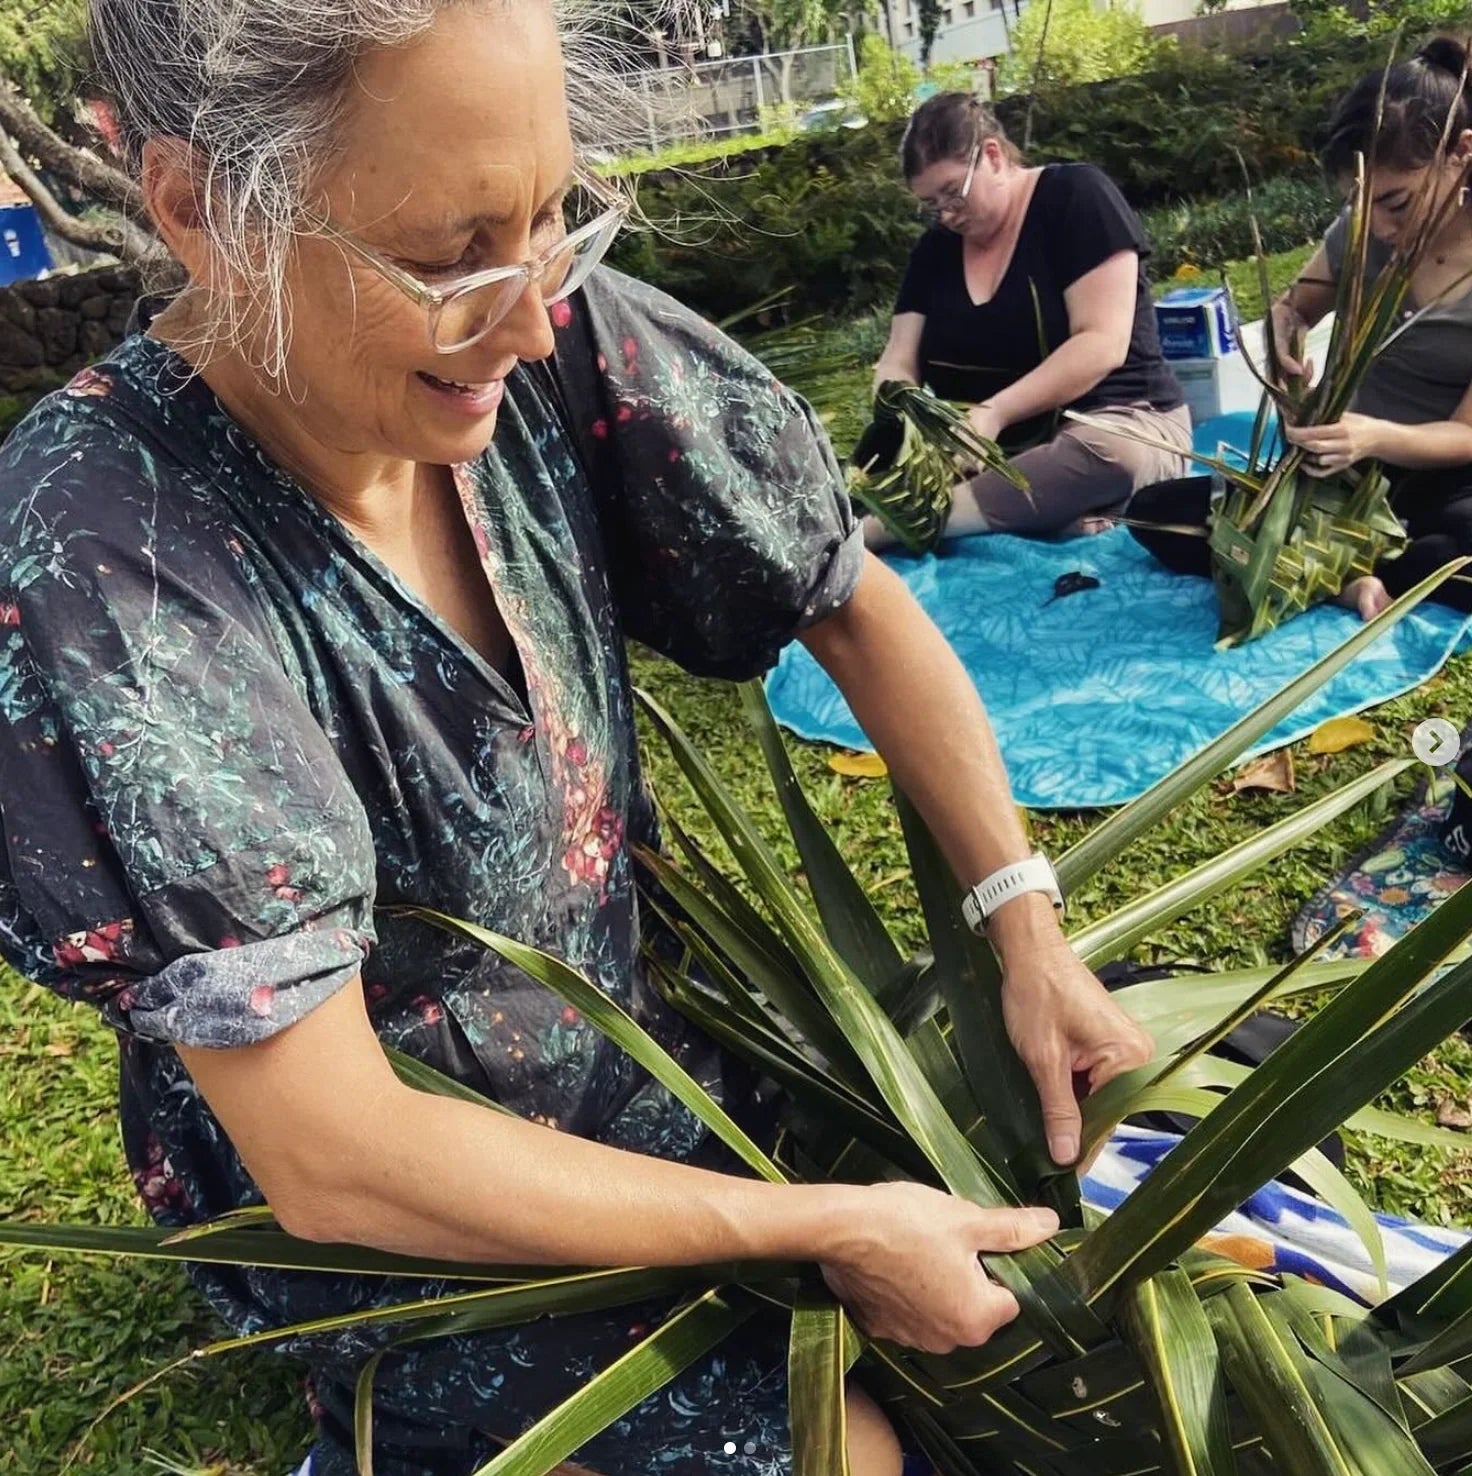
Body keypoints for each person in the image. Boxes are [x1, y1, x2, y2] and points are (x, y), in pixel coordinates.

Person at [0, 2, 1154, 1474]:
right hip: (413, 1209)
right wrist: (829, 1229)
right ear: (196, 211)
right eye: (447, 257)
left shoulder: (534, 324)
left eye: (555, 217)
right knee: (842, 1446)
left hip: (650, 1066)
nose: (535, 312)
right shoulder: (108, 546)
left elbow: (847, 598)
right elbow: (337, 1149)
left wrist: (1023, 921)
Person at [1129, 38, 1472, 621]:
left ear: (1463, 152)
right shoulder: (1360, 232)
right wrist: (1285, 360)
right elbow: (1291, 309)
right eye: (1359, 204)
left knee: (1460, 547)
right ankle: (1350, 574)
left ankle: (1321, 562)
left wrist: (1370, 435)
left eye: (1395, 202)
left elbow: (1466, 435)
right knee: (1153, 512)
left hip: (1440, 472)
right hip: (1339, 469)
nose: (1378, 225)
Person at [864, 92, 1191, 547]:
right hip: (988, 453)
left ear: (993, 156)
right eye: (930, 204)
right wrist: (901, 405)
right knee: (869, 474)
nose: (946, 214)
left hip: (1118, 419)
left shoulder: (1076, 196)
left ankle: (899, 526)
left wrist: (994, 413)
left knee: (1110, 455)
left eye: (953, 192)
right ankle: (1033, 512)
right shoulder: (934, 251)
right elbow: (898, 359)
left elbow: (1101, 343)